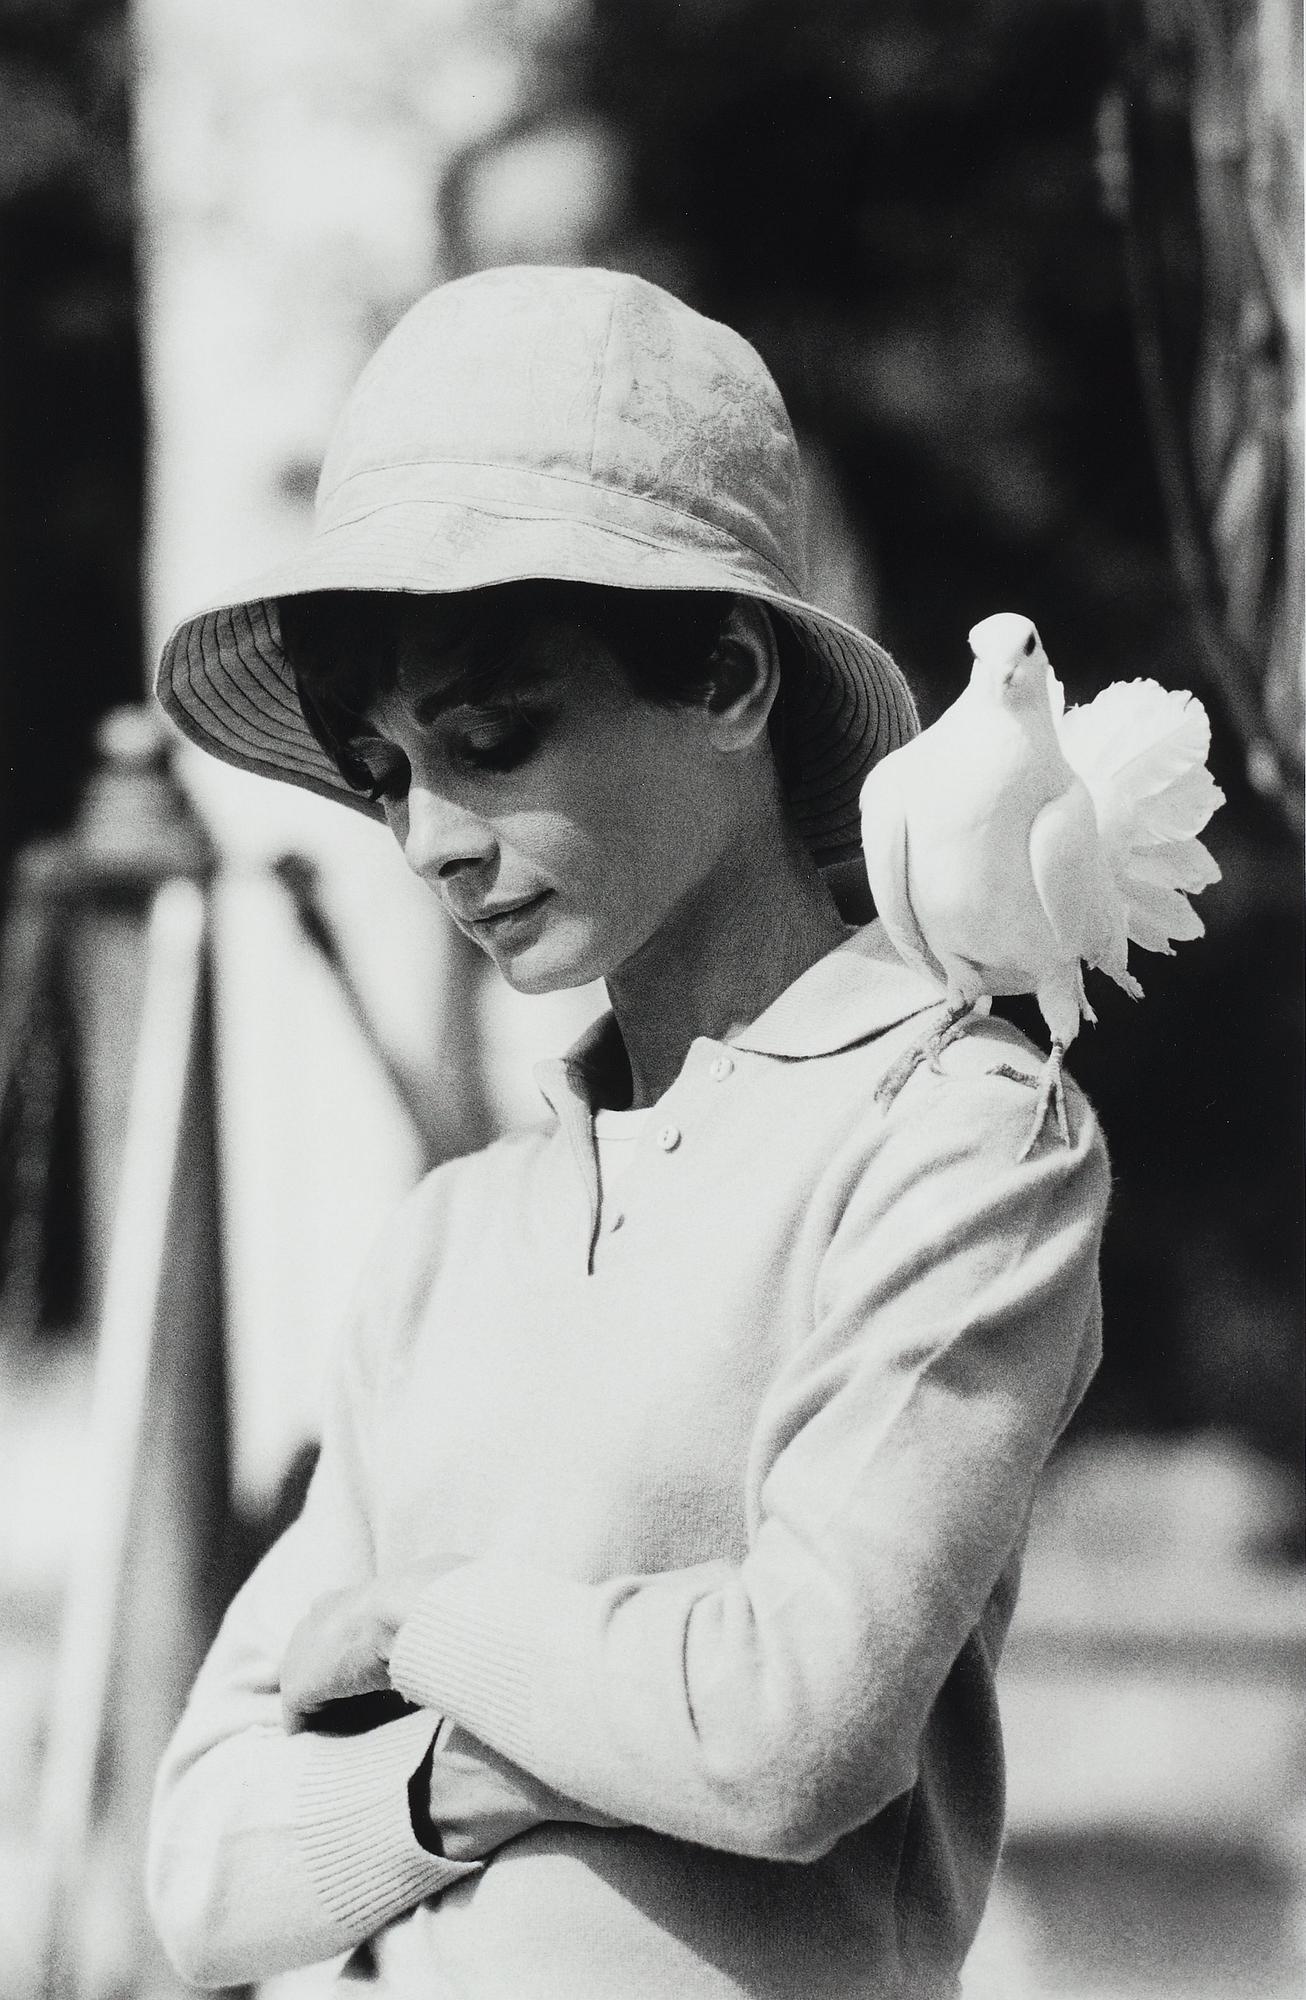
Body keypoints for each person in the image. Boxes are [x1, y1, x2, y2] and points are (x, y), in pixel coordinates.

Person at [147, 264, 1109, 1999]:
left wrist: (414, 1625)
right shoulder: (449, 1235)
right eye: (384, 774)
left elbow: (795, 1733)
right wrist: (479, 1761)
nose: (430, 839)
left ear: (728, 676)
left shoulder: (957, 1132)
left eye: (492, 738)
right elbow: (205, 1868)